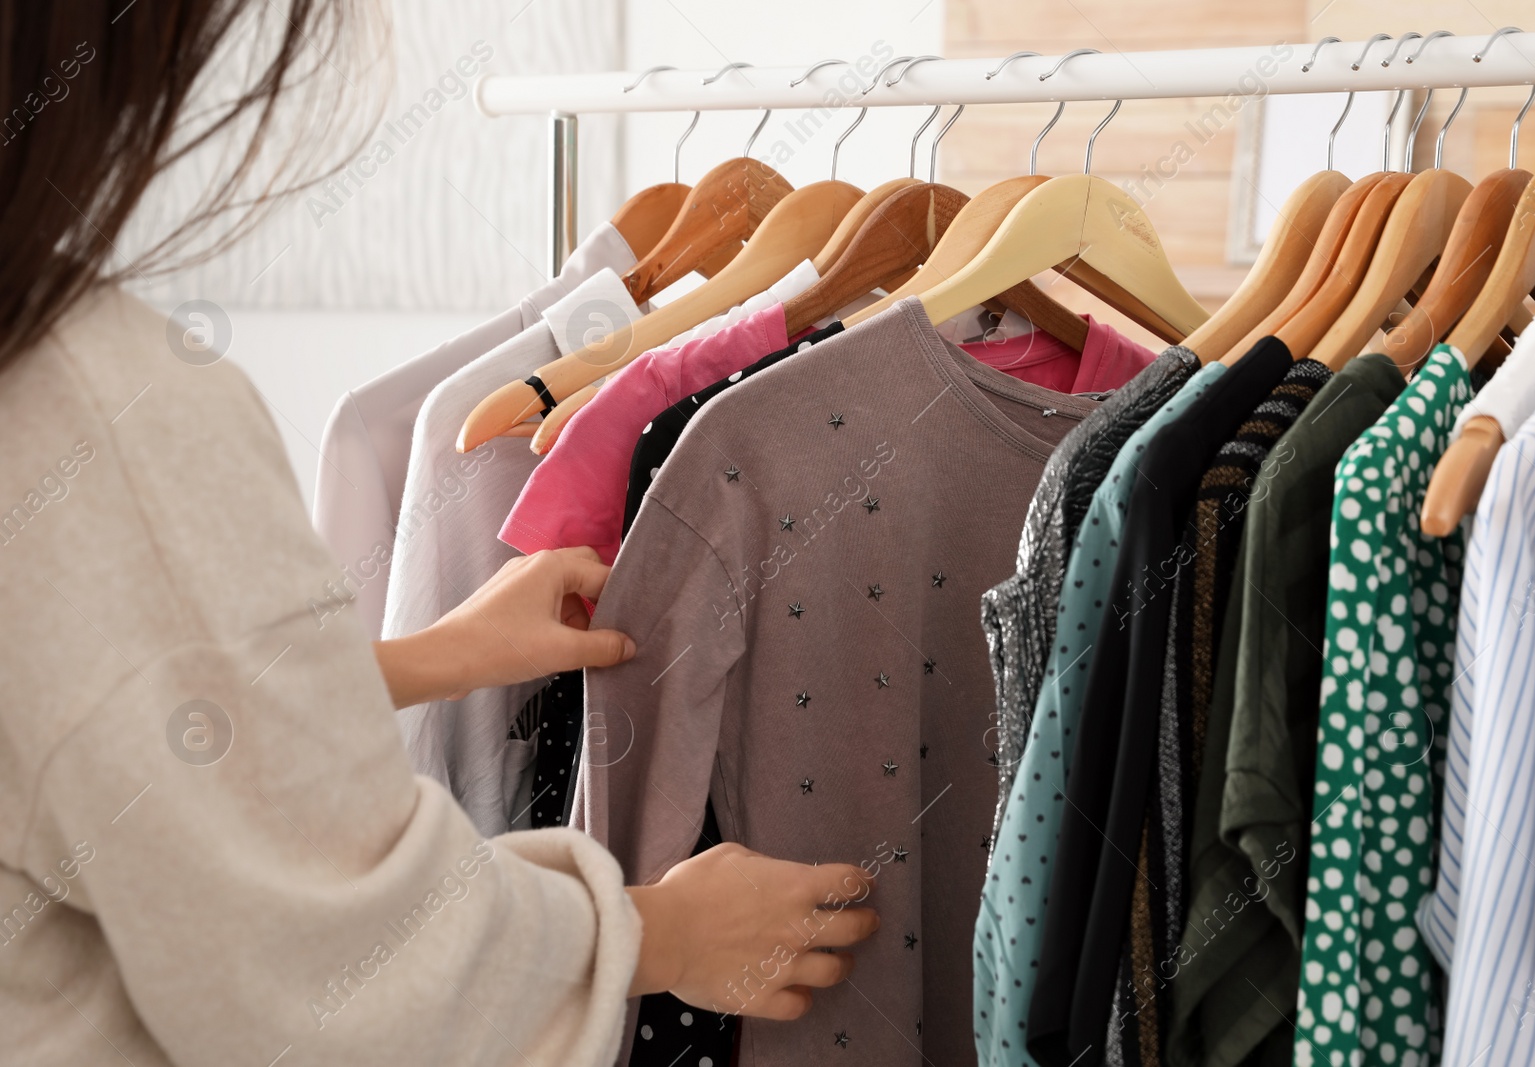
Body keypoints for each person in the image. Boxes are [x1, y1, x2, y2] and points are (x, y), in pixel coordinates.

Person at [0, 3, 878, 1065]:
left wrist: (436, 656)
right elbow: (339, 963)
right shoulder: (103, 412)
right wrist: (661, 930)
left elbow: (102, 724)